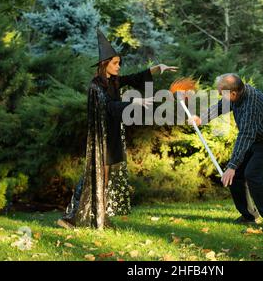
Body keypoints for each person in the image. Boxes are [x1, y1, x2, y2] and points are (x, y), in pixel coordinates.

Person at [57, 29, 177, 229]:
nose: (118, 66)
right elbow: (108, 108)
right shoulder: (95, 86)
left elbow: (134, 78)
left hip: (111, 134)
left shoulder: (113, 81)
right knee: (94, 175)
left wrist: (157, 68)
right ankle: (71, 217)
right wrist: (136, 102)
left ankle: (98, 216)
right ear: (105, 64)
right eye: (115, 63)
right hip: (101, 136)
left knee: (105, 176)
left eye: (119, 63)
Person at [190, 73, 263, 229]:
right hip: (255, 138)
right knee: (235, 176)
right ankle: (248, 216)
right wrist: (202, 118)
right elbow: (222, 105)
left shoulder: (251, 104)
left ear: (233, 93)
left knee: (253, 174)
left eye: (222, 93)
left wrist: (233, 165)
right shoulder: (237, 94)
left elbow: (246, 135)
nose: (221, 96)